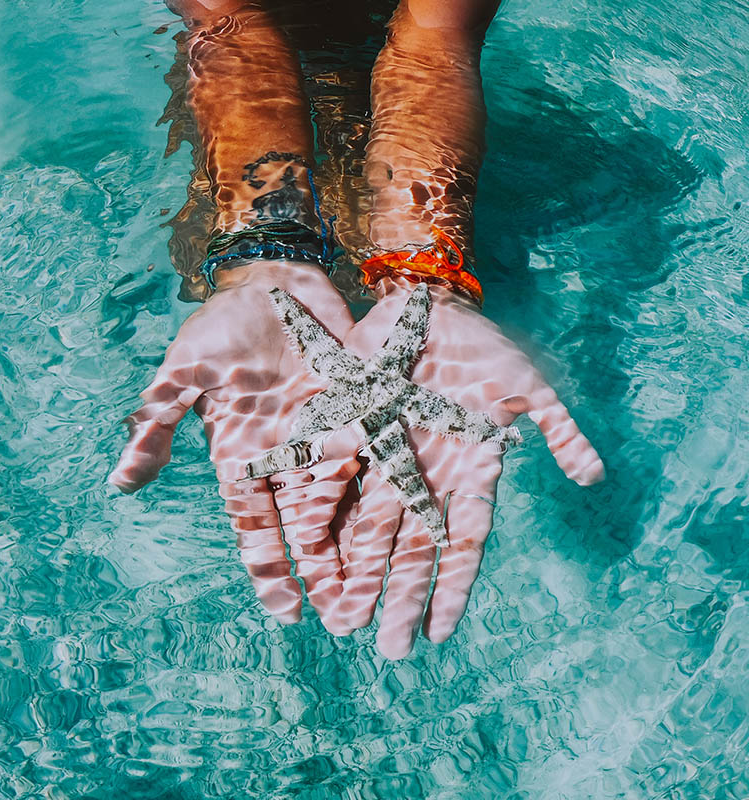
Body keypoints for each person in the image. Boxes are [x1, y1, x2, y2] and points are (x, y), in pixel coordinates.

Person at [109, 0, 604, 659]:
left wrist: (426, 280)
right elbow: (225, 23)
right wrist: (265, 248)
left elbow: (434, 41)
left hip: (388, 55)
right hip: (235, 47)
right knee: (222, 268)